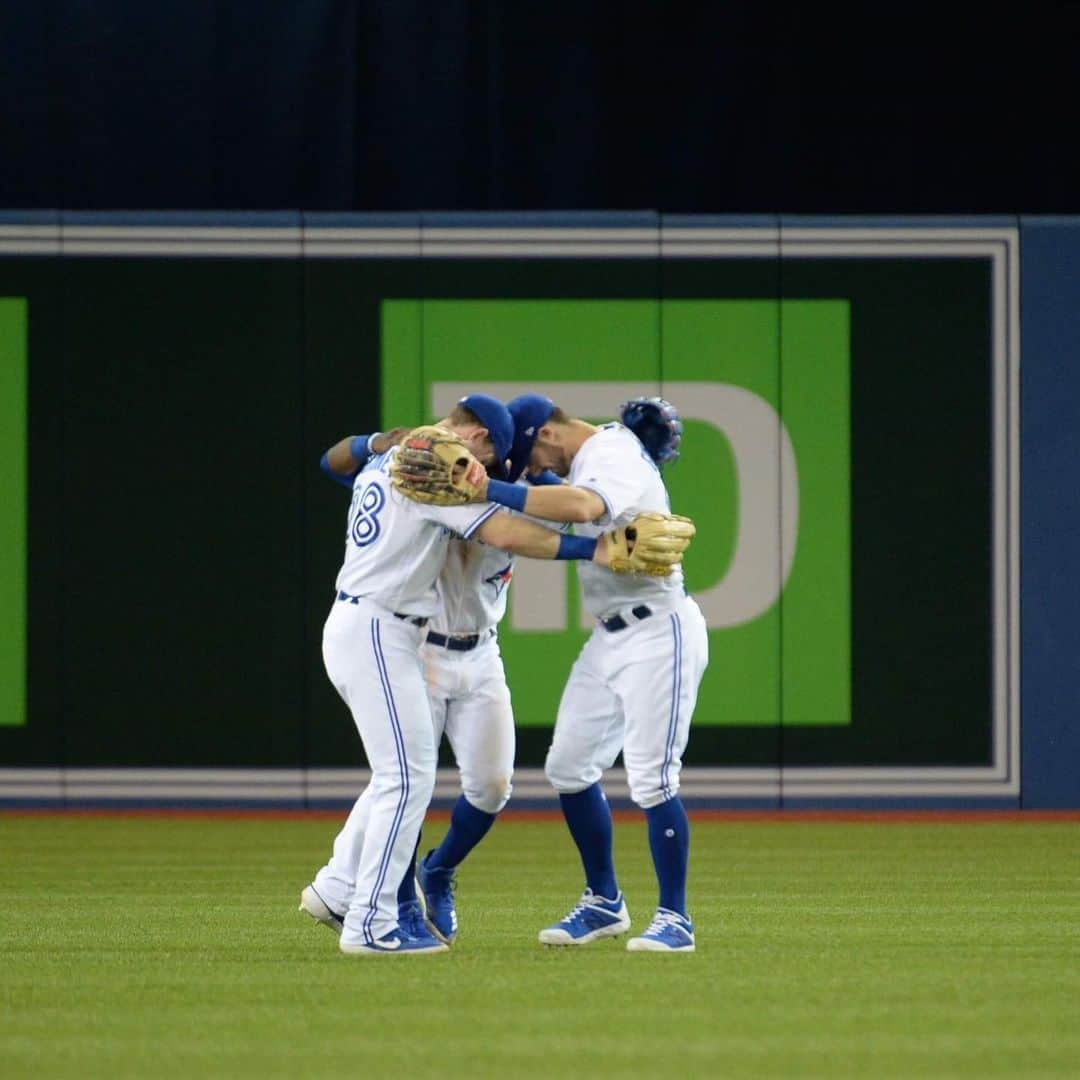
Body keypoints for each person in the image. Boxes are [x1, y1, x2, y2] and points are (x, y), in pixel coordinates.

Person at [298, 394, 619, 957]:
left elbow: (337, 461)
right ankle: (375, 919)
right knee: (404, 778)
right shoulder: (432, 468)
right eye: (493, 452)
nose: (490, 465)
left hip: (401, 630)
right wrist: (592, 553)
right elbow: (504, 533)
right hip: (392, 630)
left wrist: (377, 443)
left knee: (422, 778)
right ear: (480, 440)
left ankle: (340, 890)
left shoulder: (405, 458)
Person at [439, 394, 708, 953]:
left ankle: (675, 917)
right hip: (611, 635)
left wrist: (491, 489)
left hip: (661, 630)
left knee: (654, 777)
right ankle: (605, 901)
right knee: (568, 767)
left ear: (549, 435)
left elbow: (583, 508)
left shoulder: (609, 453)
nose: (534, 471)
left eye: (533, 458)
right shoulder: (599, 453)